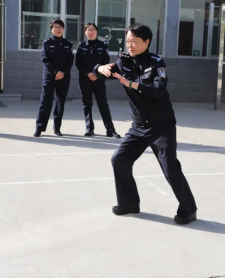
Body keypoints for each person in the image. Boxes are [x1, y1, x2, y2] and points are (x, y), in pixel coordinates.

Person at [95, 24, 198, 226]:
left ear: (146, 42)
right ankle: (129, 203)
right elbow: (102, 71)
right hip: (139, 126)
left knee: (170, 166)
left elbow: (159, 90)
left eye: (134, 41)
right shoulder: (123, 62)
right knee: (120, 159)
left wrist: (132, 84)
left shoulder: (156, 62)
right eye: (128, 41)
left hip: (162, 125)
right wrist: (100, 68)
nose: (130, 45)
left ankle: (189, 208)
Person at [76, 23, 121, 139]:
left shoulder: (103, 45)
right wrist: (88, 73)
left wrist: (97, 74)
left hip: (99, 79)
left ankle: (110, 130)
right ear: (85, 32)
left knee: (103, 104)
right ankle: (89, 128)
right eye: (88, 30)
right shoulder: (81, 46)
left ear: (96, 32)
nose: (91, 32)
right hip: (85, 79)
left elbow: (106, 62)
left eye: (93, 30)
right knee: (87, 104)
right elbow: (78, 63)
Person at [34, 19, 74, 137]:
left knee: (60, 103)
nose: (58, 29)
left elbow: (70, 61)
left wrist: (62, 73)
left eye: (60, 27)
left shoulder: (68, 44)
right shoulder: (46, 43)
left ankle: (57, 128)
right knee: (45, 102)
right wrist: (55, 72)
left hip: (64, 77)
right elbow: (45, 59)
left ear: (63, 29)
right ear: (51, 29)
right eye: (55, 27)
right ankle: (39, 128)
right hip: (49, 77)